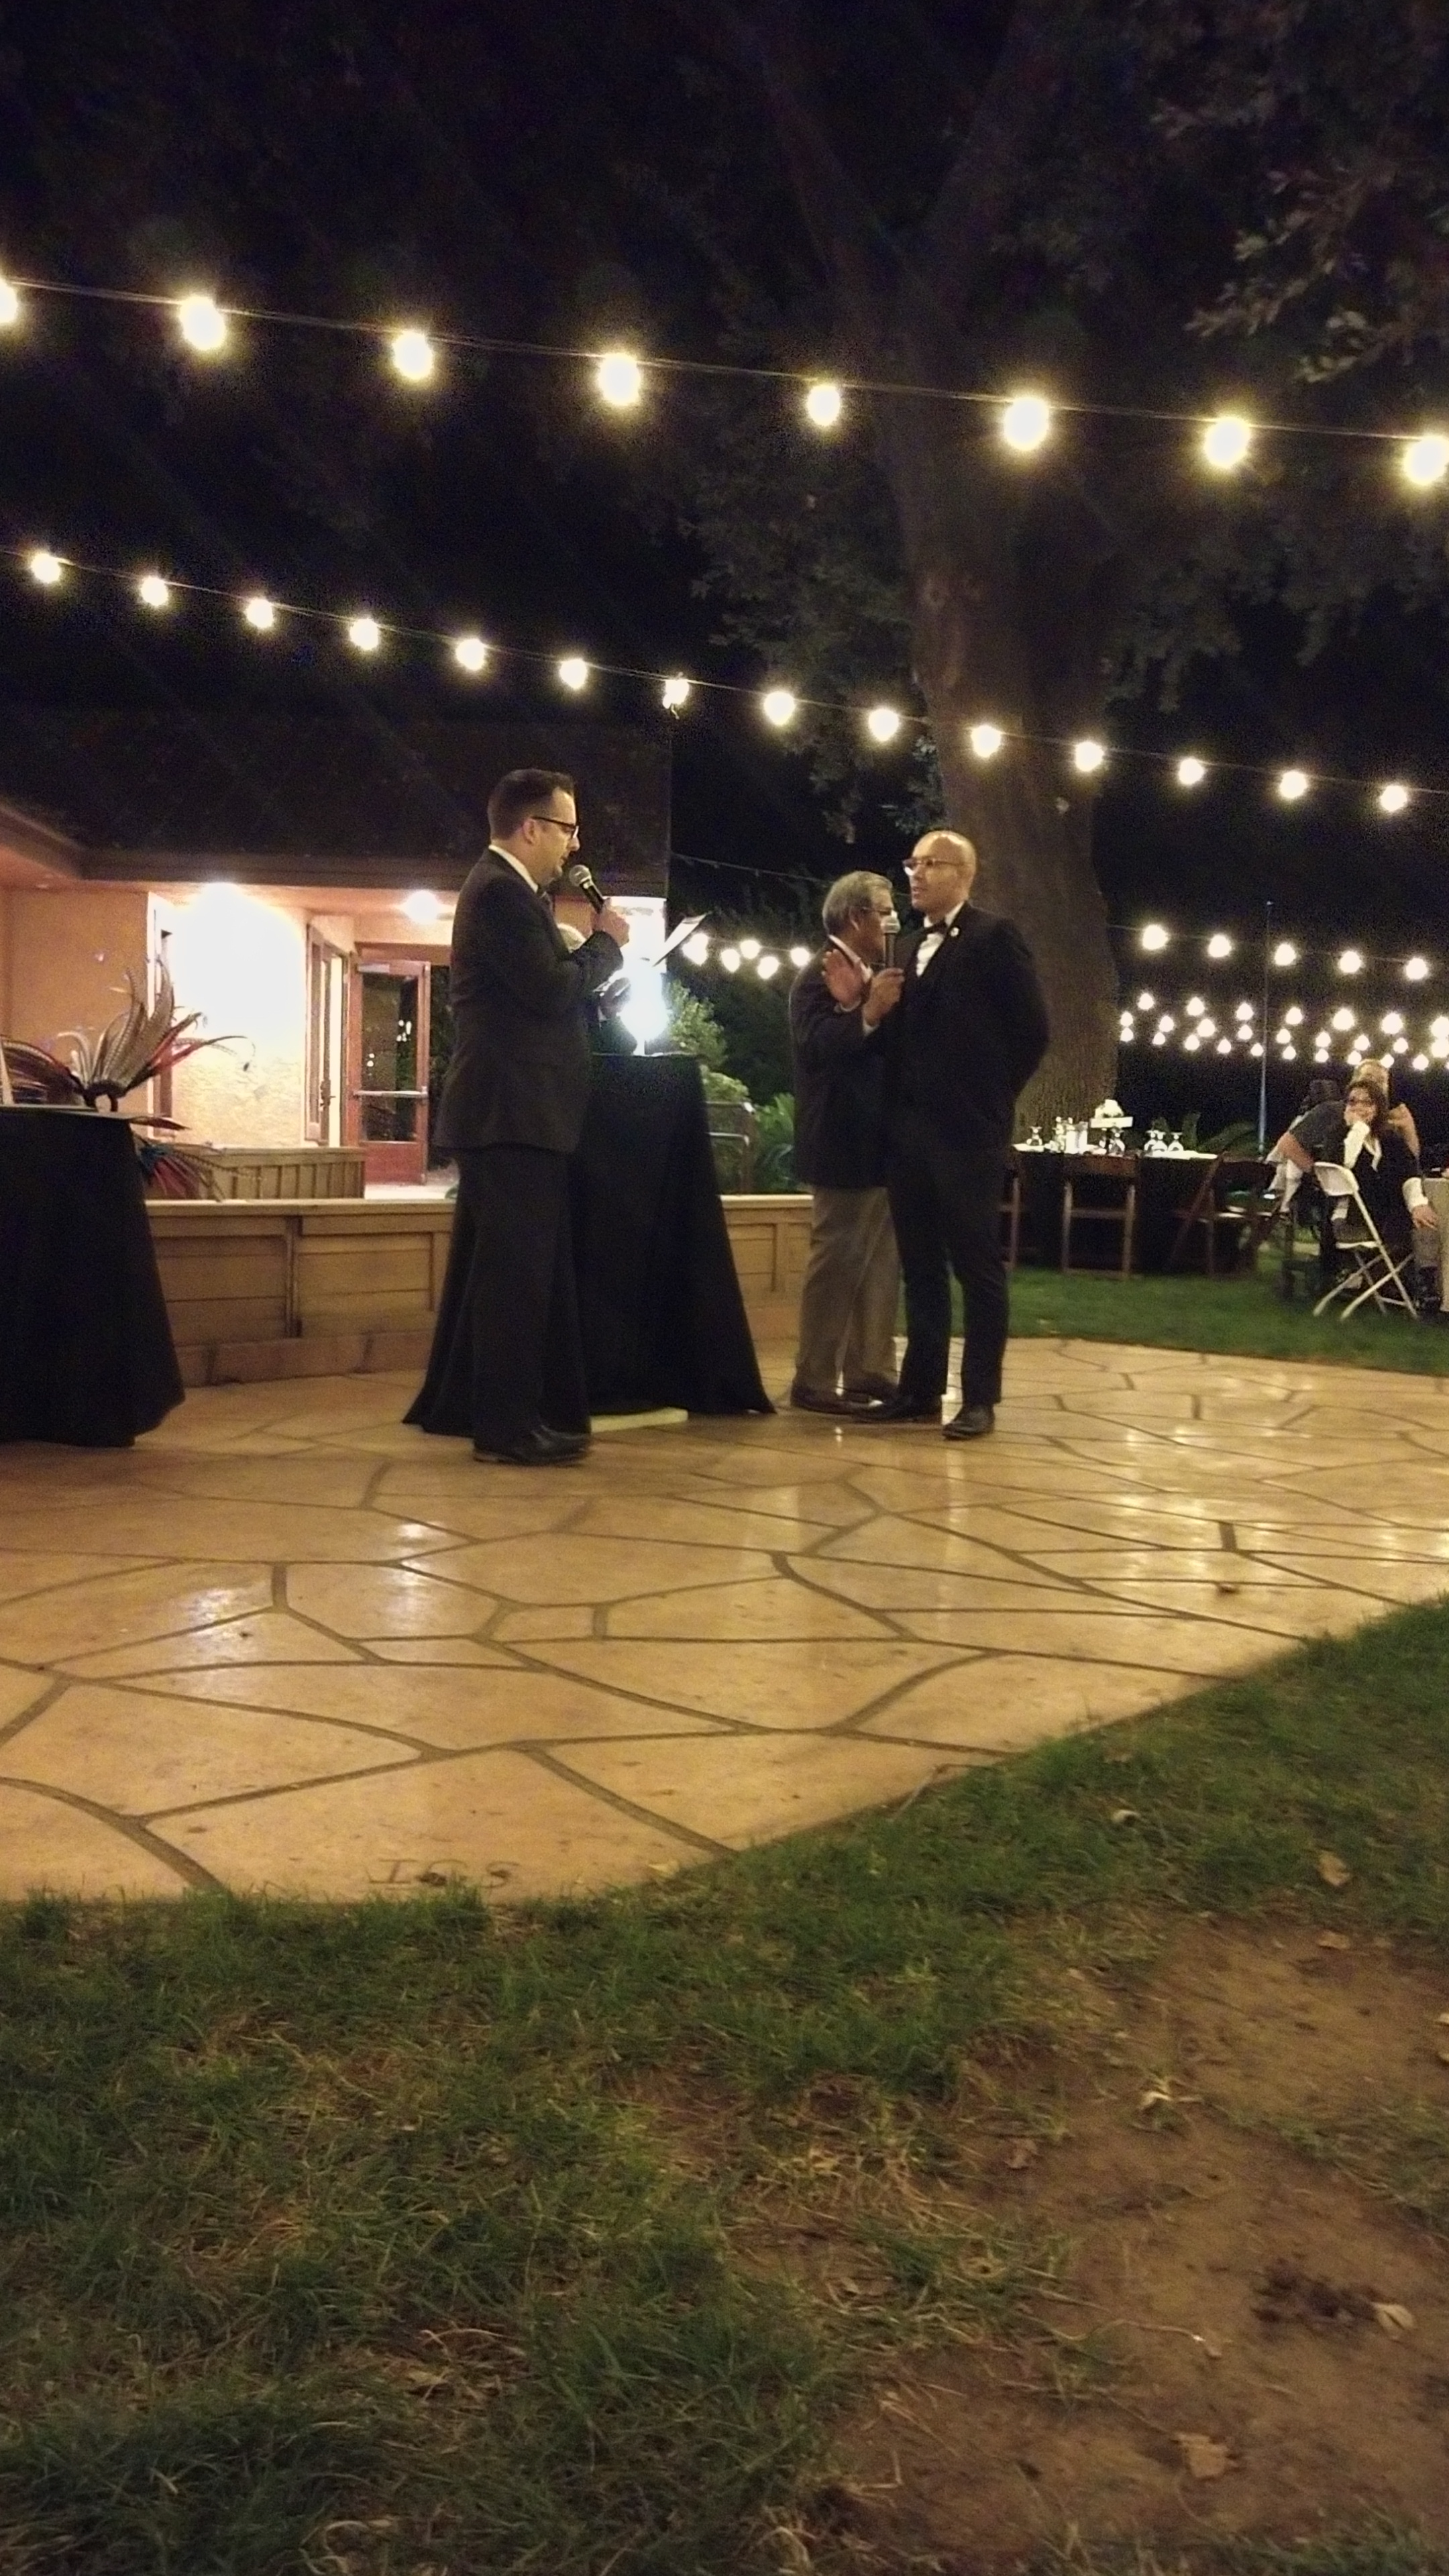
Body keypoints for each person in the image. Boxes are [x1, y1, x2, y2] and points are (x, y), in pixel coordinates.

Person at [406, 768, 630, 1464]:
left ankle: (509, 1416)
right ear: (531, 828)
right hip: (511, 1112)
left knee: (517, 1275)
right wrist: (605, 944)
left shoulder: (512, 892)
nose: (575, 843)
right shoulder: (501, 892)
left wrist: (592, 987)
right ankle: (505, 1431)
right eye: (567, 828)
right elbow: (547, 989)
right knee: (514, 1281)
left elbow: (542, 997)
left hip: (519, 1112)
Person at [872, 828, 1049, 1438]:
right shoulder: (906, 946)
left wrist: (991, 1100)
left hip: (968, 1133)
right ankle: (919, 1390)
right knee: (920, 1265)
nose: (917, 874)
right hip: (909, 1134)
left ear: (964, 874)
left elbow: (1033, 1032)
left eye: (932, 864)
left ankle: (979, 1398)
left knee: (976, 1264)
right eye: (913, 863)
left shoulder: (995, 938)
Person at [787, 870, 905, 1415]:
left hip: (882, 1143)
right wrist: (864, 1013)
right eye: (884, 910)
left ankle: (870, 1370)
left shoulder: (877, 973)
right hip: (841, 1142)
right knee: (837, 1263)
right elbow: (816, 1047)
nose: (892, 920)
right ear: (857, 917)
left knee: (880, 1262)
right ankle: (813, 1379)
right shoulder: (818, 974)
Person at [1291, 1073, 1440, 1311]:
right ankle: (1421, 1290)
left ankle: (1426, 1287)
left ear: (1379, 1108)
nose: (1359, 1107)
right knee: (1420, 1225)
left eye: (1367, 1102)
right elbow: (1345, 1165)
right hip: (1354, 1222)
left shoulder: (1389, 1140)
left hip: (1385, 1216)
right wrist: (1357, 1129)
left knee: (1429, 1217)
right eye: (1353, 1102)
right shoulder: (1338, 1137)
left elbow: (1409, 1172)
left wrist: (1417, 1204)